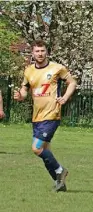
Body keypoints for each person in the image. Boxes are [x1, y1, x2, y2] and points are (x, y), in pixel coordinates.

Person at [14, 39, 77, 192]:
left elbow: (72, 82)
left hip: (52, 115)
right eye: (37, 51)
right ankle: (59, 183)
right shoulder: (29, 71)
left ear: (47, 52)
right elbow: (24, 89)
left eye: (43, 51)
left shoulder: (57, 68)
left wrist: (65, 97)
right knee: (45, 151)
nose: (40, 53)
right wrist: (20, 96)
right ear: (33, 53)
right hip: (37, 117)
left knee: (36, 148)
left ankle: (60, 170)